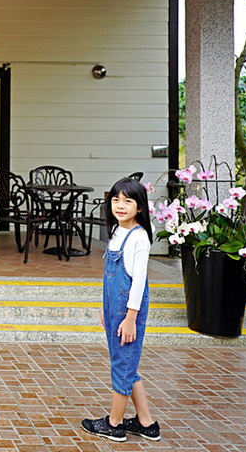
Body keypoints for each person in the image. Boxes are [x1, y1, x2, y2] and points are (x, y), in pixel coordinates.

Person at [80, 176, 161, 443]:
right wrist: (106, 309)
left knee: (122, 367)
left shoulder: (139, 238)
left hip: (129, 312)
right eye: (116, 200)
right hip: (115, 309)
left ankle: (114, 424)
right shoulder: (116, 232)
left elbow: (138, 282)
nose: (120, 205)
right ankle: (146, 423)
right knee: (127, 365)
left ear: (140, 207)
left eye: (128, 201)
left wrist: (130, 318)